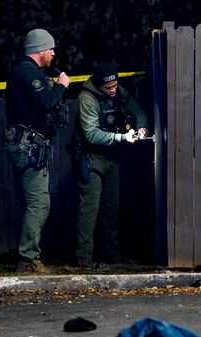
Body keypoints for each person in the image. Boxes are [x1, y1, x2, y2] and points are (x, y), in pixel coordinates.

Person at [4, 28, 70, 273]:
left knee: (30, 202)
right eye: (51, 49)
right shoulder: (28, 71)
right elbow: (46, 102)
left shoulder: (23, 71)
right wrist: (61, 86)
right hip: (29, 146)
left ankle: (27, 257)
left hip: (24, 144)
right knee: (39, 202)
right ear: (40, 50)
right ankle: (28, 260)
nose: (53, 53)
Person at [72, 63, 149, 266]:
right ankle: (83, 258)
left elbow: (138, 111)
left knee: (110, 208)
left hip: (111, 158)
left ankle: (111, 256)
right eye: (109, 87)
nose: (113, 90)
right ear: (98, 86)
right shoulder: (86, 99)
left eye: (115, 85)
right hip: (91, 158)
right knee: (90, 209)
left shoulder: (118, 92)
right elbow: (91, 134)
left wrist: (141, 128)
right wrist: (122, 137)